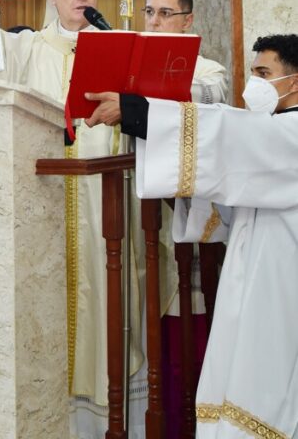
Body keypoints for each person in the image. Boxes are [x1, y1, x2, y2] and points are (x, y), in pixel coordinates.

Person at [0, 0, 148, 438]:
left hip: (106, 194)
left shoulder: (117, 45)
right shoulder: (27, 46)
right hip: (44, 197)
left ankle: (109, 412)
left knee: (104, 291)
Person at [86, 34, 298, 439]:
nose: (252, 83)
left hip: (279, 285)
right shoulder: (271, 128)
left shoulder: (288, 133)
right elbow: (231, 173)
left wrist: (136, 111)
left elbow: (225, 133)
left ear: (294, 82)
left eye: (263, 73)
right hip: (250, 275)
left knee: (269, 384)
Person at [142, 0, 228, 437]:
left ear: (188, 20)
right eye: (149, 12)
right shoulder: (133, 64)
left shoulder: (210, 71)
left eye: (165, 14)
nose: (154, 22)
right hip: (141, 223)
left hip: (186, 227)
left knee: (186, 338)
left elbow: (198, 103)